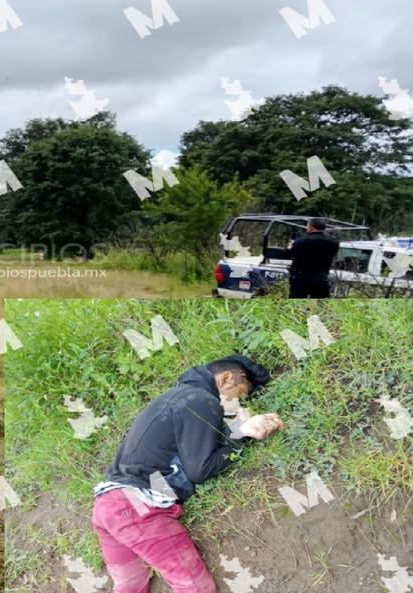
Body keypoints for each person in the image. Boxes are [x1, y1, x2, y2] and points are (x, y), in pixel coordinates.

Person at [91, 355, 285, 593]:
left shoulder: (179, 397)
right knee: (195, 588)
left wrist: (236, 429)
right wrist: (242, 434)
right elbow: (200, 470)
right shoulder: (203, 400)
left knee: (130, 585)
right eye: (241, 395)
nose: (239, 405)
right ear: (227, 379)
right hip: (137, 509)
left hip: (108, 506)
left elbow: (187, 454)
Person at [285, 218, 340, 298]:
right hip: (321, 277)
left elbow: (286, 254)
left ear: (311, 227)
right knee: (319, 304)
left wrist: (289, 246)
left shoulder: (302, 240)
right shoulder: (334, 243)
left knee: (296, 305)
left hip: (301, 277)